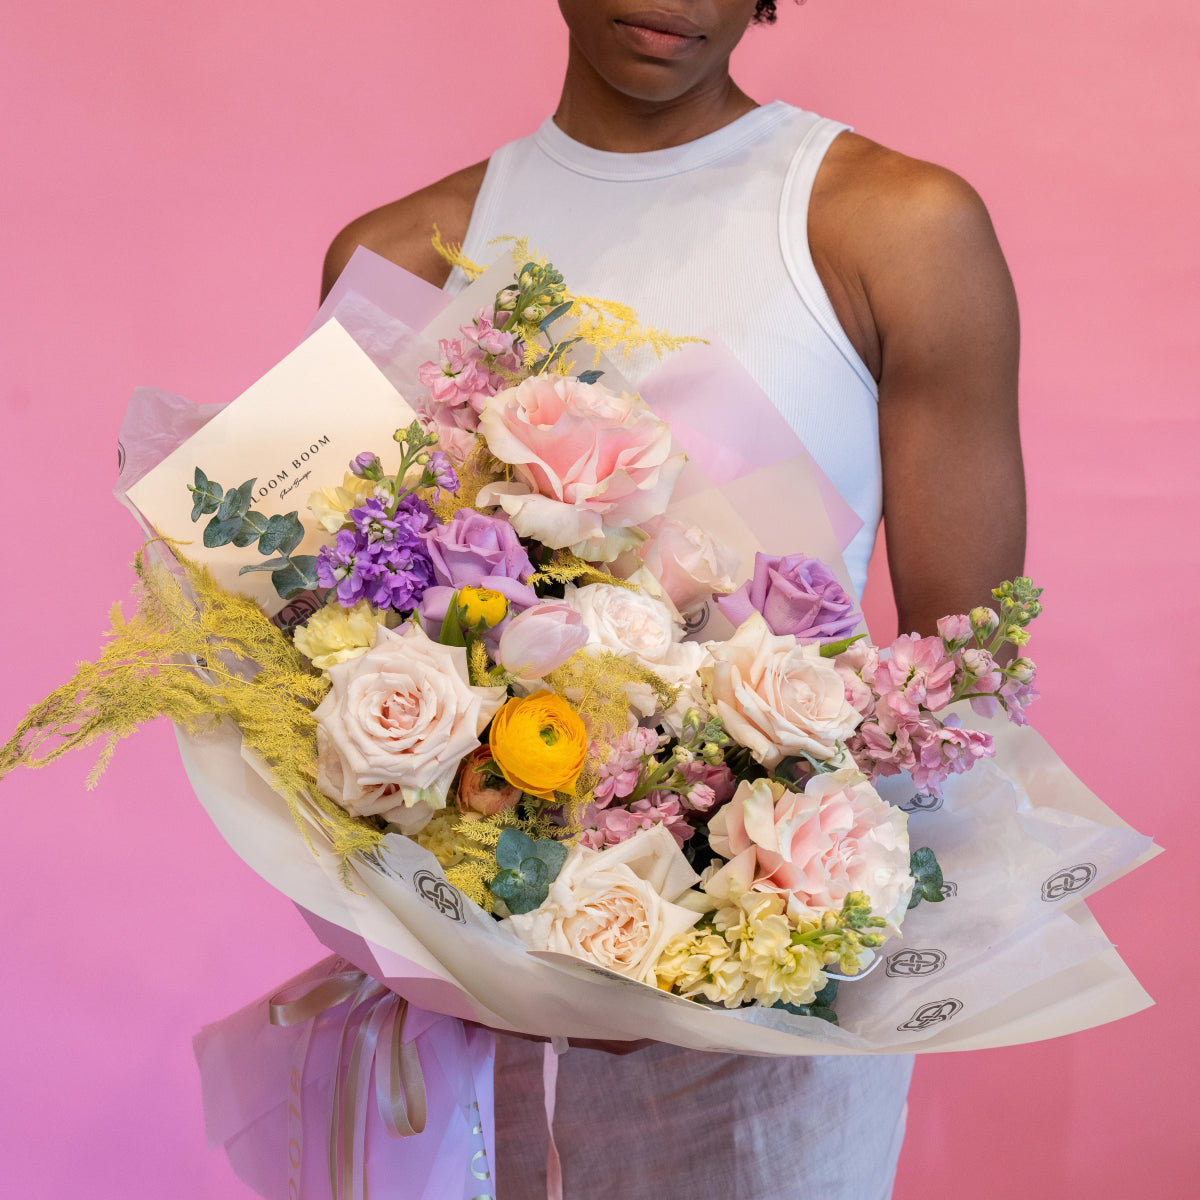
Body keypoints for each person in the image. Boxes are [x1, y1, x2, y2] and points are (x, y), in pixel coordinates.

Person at [321, 2, 1025, 1196]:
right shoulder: (402, 253)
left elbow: (967, 680)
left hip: (773, 996)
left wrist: (754, 914)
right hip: (483, 985)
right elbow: (337, 631)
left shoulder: (893, 227)